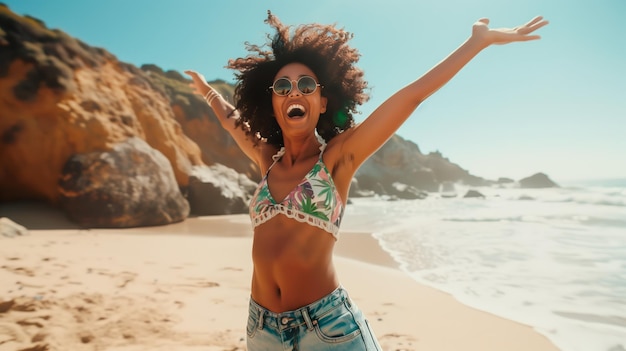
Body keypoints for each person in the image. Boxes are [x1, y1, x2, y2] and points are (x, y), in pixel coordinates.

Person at [186, 11, 548, 351]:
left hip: (327, 330)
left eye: (306, 84)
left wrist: (477, 42)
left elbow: (411, 96)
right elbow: (232, 121)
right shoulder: (267, 157)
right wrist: (207, 91)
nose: (294, 91)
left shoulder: (339, 157)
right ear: (274, 102)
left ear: (323, 102)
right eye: (283, 86)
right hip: (261, 329)